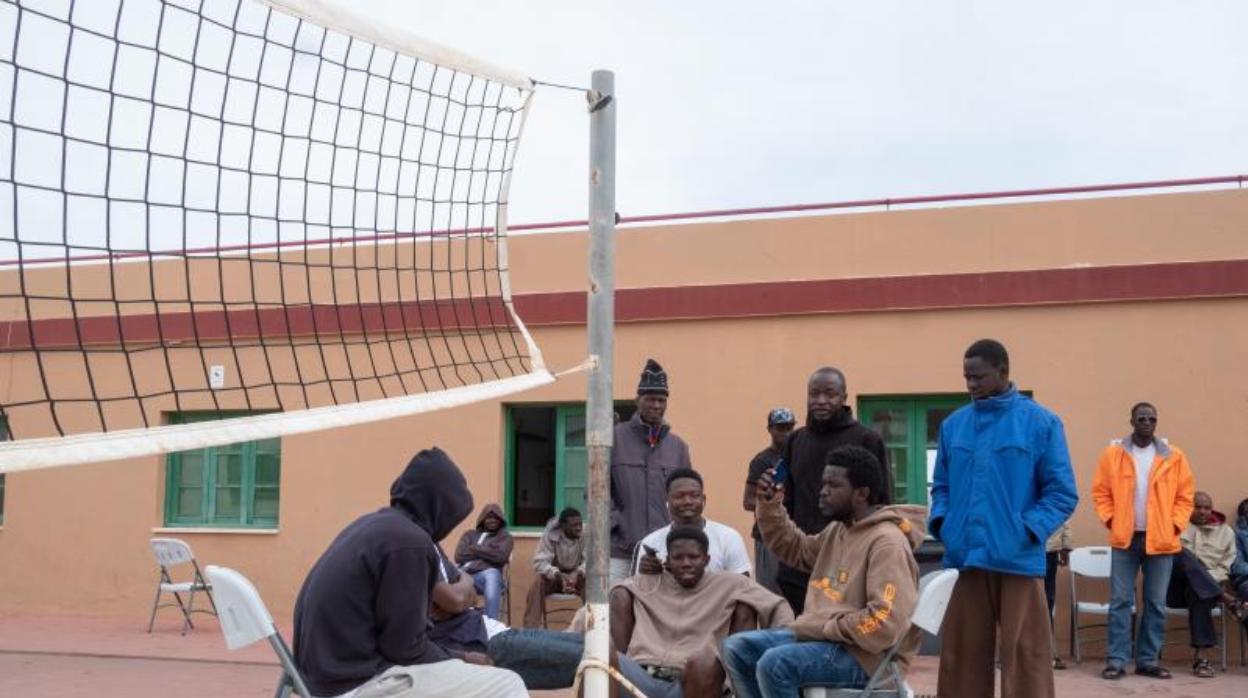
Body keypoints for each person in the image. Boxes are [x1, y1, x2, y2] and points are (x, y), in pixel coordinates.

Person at [292, 448, 526, 698]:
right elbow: (405, 649)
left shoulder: (372, 526)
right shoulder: (409, 542)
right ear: (440, 508)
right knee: (507, 684)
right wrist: (464, 658)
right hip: (355, 685)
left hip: (320, 678)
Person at [929, 339, 1078, 698]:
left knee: (1027, 658)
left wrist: (1026, 530)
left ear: (1003, 372)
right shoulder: (953, 426)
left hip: (1019, 560)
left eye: (978, 377)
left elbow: (1062, 493)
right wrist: (945, 524)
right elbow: (942, 486)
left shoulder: (1041, 423)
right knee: (960, 658)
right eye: (966, 377)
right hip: (966, 560)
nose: (971, 385)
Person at [723, 445, 927, 697]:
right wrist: (769, 505)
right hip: (826, 642)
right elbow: (796, 549)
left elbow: (883, 624)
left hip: (867, 658)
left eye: (833, 485)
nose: (823, 492)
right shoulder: (840, 530)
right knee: (738, 648)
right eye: (823, 484)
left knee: (776, 664)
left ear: (861, 493)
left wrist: (824, 627)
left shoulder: (887, 543)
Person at [612, 526, 794, 698]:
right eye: (678, 558)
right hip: (641, 677)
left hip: (693, 680)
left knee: (705, 659)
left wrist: (783, 645)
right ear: (668, 560)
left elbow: (777, 606)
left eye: (693, 557)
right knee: (600, 652)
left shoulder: (730, 584)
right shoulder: (647, 583)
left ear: (706, 559)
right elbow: (594, 613)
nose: (686, 563)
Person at [1091, 401, 1194, 681]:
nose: (1146, 422)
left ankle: (1148, 660)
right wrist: (1112, 520)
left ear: (1156, 422)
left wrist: (1174, 525)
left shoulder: (1174, 456)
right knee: (1120, 601)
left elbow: (1185, 497)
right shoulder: (1114, 454)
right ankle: (1116, 660)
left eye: (1151, 418)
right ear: (1132, 421)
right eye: (1141, 418)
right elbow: (1100, 492)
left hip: (1161, 541)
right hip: (1125, 539)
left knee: (1156, 603)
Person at [776, 366, 890, 614]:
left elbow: (881, 501)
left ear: (844, 397)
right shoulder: (795, 441)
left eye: (830, 394)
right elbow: (787, 498)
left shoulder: (867, 439)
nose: (821, 401)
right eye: (814, 394)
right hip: (802, 561)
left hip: (847, 562)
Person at [610, 358, 693, 584]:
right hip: (619, 552)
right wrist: (618, 526)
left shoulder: (679, 447)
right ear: (638, 400)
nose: (655, 405)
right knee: (612, 613)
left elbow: (688, 498)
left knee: (660, 614)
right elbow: (596, 492)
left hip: (665, 553)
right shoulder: (614, 438)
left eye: (661, 400)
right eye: (650, 399)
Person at [1169, 492, 1248, 677]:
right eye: (1197, 507)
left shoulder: (1225, 532)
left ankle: (1201, 659)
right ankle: (1230, 602)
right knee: (1181, 553)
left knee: (1199, 591)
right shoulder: (1175, 527)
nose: (1202, 511)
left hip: (1205, 592)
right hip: (1174, 589)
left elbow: (1226, 566)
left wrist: (1203, 578)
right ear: (1188, 507)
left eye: (1206, 507)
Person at [637, 468, 752, 576]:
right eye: (679, 496)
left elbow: (743, 585)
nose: (688, 501)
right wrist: (646, 574)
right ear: (667, 500)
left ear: (703, 499)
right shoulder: (650, 542)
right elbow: (639, 589)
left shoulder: (729, 537)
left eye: (694, 495)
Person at [743, 407, 796, 594]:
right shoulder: (762, 461)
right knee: (771, 595)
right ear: (770, 429)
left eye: (789, 428)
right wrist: (770, 502)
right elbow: (747, 501)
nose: (786, 433)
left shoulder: (799, 456)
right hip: (768, 538)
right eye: (780, 428)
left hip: (796, 537)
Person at [523, 506, 586, 628]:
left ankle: (592, 630)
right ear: (563, 526)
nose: (578, 528)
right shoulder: (549, 535)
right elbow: (540, 562)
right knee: (538, 583)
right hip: (555, 578)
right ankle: (530, 631)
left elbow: (591, 561)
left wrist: (578, 573)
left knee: (592, 585)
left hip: (577, 578)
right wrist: (557, 575)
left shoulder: (586, 533)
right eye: (574, 525)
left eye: (580, 524)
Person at [453, 503, 514, 621]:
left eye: (496, 518)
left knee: (491, 573)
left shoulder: (505, 537)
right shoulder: (469, 535)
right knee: (444, 573)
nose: (492, 521)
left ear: (500, 520)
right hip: (463, 574)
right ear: (482, 519)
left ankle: (491, 623)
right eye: (489, 517)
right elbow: (459, 556)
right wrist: (488, 551)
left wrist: (474, 548)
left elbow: (500, 557)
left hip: (484, 579)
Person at [1044, 521, 1072, 670]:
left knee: (1047, 603)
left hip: (1050, 549)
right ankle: (1012, 655)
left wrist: (1065, 545)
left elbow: (1062, 509)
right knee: (1020, 602)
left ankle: (1048, 653)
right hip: (1021, 548)